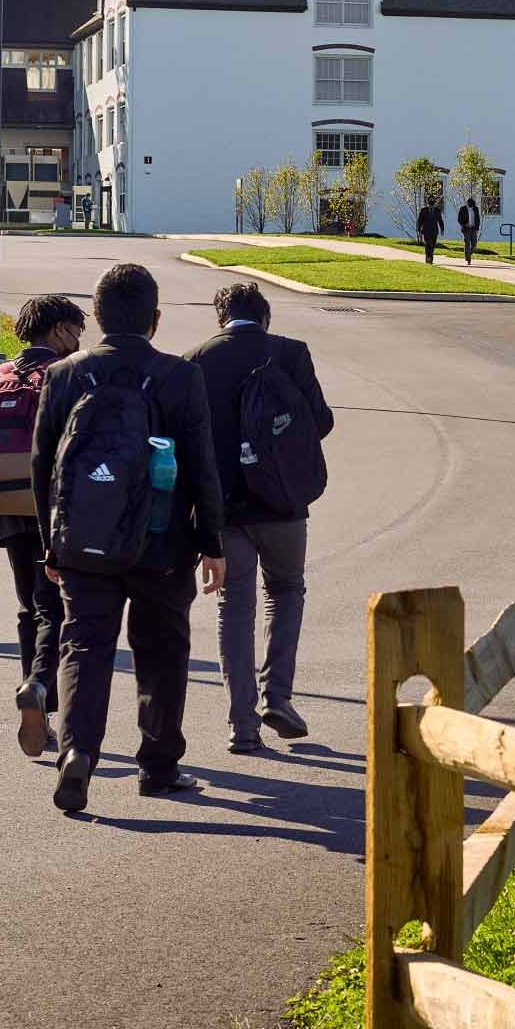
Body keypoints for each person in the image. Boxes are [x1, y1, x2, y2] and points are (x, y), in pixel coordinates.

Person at [30, 262, 227, 814]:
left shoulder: (64, 375)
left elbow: (43, 464)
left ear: (95, 316)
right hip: (162, 545)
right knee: (163, 651)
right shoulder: (180, 376)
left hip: (82, 542)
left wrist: (52, 542)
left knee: (85, 645)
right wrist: (212, 543)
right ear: (155, 319)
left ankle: (77, 753)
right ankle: (159, 767)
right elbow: (201, 466)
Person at [188, 281, 334, 754]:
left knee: (235, 605)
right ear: (265, 316)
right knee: (287, 590)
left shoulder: (197, 359)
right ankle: (278, 696)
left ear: (220, 318)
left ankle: (241, 723)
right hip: (284, 503)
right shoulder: (291, 353)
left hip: (226, 509)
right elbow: (323, 421)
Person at [0, 294, 85, 757]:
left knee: (29, 607)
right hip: (52, 508)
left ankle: (35, 693)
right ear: (58, 330)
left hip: (4, 504)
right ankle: (40, 689)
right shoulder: (66, 375)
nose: (79, 340)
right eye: (76, 331)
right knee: (56, 607)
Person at [414, 189, 444, 264]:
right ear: (428, 201)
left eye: (433, 199)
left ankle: (430, 256)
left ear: (434, 201)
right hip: (426, 231)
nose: (431, 201)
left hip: (434, 231)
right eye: (430, 199)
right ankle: (428, 258)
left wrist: (442, 229)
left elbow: (440, 220)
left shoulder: (437, 210)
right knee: (428, 244)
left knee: (433, 245)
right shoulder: (423, 210)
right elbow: (420, 220)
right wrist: (418, 229)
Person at [457, 190, 482, 266]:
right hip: (466, 229)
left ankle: (469, 254)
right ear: (467, 203)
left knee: (474, 244)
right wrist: (464, 224)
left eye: (472, 204)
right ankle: (468, 259)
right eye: (470, 204)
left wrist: (477, 228)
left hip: (474, 229)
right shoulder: (463, 209)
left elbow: (478, 218)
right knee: (467, 243)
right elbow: (459, 219)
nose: (471, 205)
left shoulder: (475, 209)